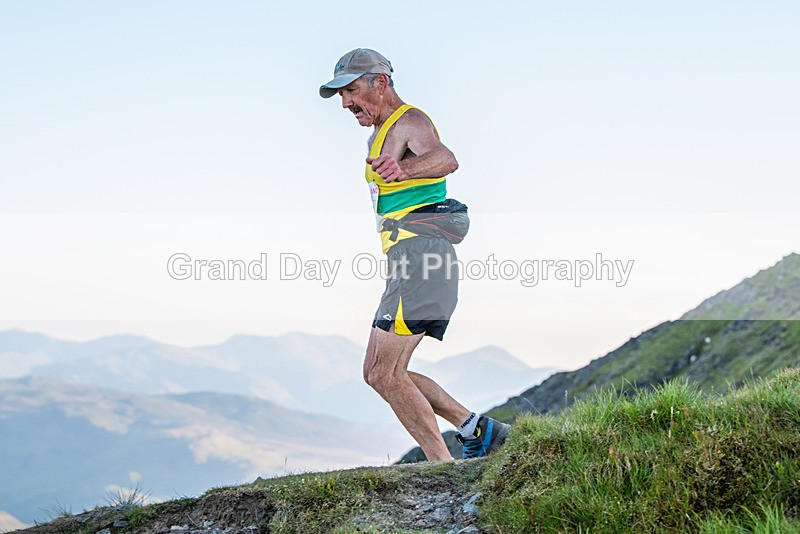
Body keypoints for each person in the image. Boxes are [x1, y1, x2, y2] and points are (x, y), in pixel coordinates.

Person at [319, 48, 510, 461]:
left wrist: (404, 169)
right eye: (341, 95)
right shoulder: (381, 131)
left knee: (385, 374)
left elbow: (445, 159)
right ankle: (480, 430)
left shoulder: (410, 120)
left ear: (380, 82)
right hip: (409, 261)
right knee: (378, 372)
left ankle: (442, 466)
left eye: (351, 91)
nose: (346, 103)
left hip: (421, 259)